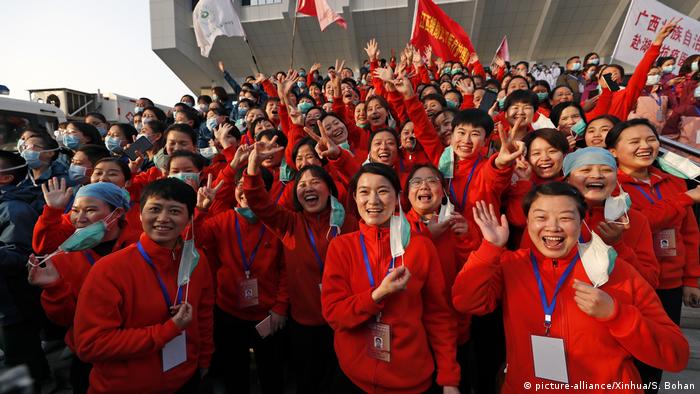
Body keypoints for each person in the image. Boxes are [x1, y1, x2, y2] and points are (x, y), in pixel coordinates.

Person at [452, 183, 689, 393]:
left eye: (565, 218)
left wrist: (617, 315)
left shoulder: (613, 270)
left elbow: (675, 355)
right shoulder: (510, 265)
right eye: (541, 217)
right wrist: (490, 248)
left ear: (581, 221)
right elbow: (466, 301)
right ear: (527, 221)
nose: (553, 227)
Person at [322, 163, 460, 393]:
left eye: (383, 191)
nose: (373, 200)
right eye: (364, 192)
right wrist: (378, 294)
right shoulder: (341, 247)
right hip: (353, 376)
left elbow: (439, 316)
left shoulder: (421, 247)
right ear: (355, 197)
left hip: (409, 379)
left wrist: (449, 378)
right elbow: (334, 315)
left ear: (397, 197)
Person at [73, 178, 214, 393]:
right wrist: (168, 330)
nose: (163, 218)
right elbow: (90, 344)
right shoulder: (109, 269)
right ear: (139, 215)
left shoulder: (195, 259)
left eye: (175, 211)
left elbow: (204, 315)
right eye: (154, 209)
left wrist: (203, 360)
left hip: (186, 378)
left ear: (190, 219)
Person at [244, 137, 358, 393]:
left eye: (315, 182)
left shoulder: (349, 223)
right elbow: (259, 203)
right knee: (308, 382)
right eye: (302, 184)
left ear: (329, 188)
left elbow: (360, 181)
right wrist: (253, 166)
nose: (308, 187)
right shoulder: (289, 223)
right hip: (304, 324)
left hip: (344, 322)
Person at [606, 118, 700, 392]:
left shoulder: (673, 183)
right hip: (629, 282)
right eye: (634, 142)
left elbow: (689, 235)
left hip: (669, 285)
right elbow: (636, 222)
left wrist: (692, 279)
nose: (645, 147)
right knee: (626, 354)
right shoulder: (611, 185)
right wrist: (685, 200)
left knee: (655, 356)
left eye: (650, 140)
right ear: (613, 150)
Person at [28, 182, 137, 394]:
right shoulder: (63, 257)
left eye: (91, 210)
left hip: (137, 349)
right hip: (90, 355)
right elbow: (64, 318)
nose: (80, 218)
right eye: (76, 210)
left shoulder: (140, 245)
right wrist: (53, 288)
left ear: (117, 213)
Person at [193, 165, 287, 394]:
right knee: (234, 372)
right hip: (229, 311)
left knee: (271, 371)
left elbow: (286, 269)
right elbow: (192, 241)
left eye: (254, 187)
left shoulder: (279, 222)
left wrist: (280, 307)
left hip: (268, 314)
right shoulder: (221, 221)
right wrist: (200, 210)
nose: (245, 192)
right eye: (239, 186)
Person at [0, 151, 49, 390]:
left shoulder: (14, 210)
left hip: (13, 301)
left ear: (5, 178)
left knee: (20, 359)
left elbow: (22, 257)